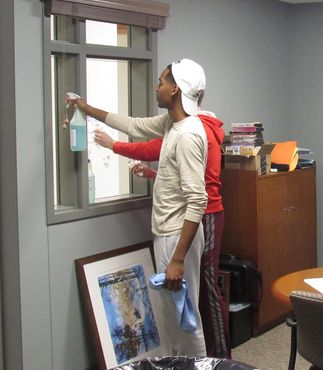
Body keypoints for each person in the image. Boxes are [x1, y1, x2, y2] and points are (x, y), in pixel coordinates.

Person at [69, 58, 209, 357]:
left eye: (161, 81)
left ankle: (198, 365)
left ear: (175, 89)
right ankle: (176, 363)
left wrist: (178, 259)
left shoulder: (187, 135)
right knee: (172, 316)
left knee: (185, 317)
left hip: (177, 238)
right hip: (169, 234)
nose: (156, 86)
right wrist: (88, 108)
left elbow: (198, 200)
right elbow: (133, 125)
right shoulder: (173, 123)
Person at [94, 104, 232, 358]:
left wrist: (113, 145)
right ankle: (195, 357)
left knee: (200, 293)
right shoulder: (186, 126)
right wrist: (152, 173)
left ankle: (220, 357)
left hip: (202, 214)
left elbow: (152, 148)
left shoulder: (191, 129)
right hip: (190, 216)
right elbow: (175, 168)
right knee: (184, 300)